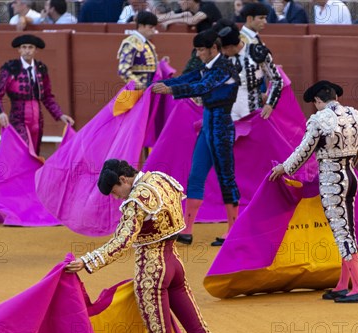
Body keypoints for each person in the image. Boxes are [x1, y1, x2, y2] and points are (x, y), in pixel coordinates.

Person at [65, 159, 235, 333]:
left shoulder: (136, 199)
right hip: (175, 264)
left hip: (152, 272)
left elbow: (122, 242)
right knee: (199, 329)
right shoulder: (161, 179)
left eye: (113, 191)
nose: (115, 197)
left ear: (123, 179)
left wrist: (87, 261)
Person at [269, 80, 358, 303]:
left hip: (332, 180)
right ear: (336, 96)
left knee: (342, 231)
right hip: (351, 175)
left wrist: (284, 168)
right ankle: (344, 284)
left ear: (317, 101)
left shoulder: (320, 119)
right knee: (346, 228)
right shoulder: (355, 115)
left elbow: (304, 149)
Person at [152, 30, 240, 247]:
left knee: (225, 177)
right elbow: (190, 78)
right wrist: (166, 84)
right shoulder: (208, 67)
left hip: (221, 127)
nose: (199, 54)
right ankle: (187, 230)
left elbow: (202, 87)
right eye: (198, 50)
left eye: (202, 50)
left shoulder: (226, 68)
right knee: (196, 175)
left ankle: (233, 230)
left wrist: (172, 90)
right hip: (208, 124)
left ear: (213, 49)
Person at [0, 35, 73, 156]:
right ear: (19, 50)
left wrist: (60, 115)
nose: (27, 50)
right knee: (23, 151)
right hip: (18, 118)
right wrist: (0, 113)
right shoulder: (10, 68)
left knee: (35, 151)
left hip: (37, 120)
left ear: (36, 50)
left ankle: (31, 176)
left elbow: (47, 97)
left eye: (30, 47)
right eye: (24, 47)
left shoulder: (41, 68)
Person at [214, 18, 282, 121]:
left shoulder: (257, 52)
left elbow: (277, 80)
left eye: (223, 49)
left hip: (253, 111)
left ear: (230, 47)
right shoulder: (222, 59)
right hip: (227, 113)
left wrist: (270, 104)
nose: (222, 53)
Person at [117, 11, 160, 89]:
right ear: (140, 26)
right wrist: (140, 86)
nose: (153, 30)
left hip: (149, 91)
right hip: (138, 92)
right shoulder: (131, 43)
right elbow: (123, 71)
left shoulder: (147, 43)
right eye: (150, 27)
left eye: (154, 27)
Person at [157, 0, 222, 32]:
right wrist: (180, 15)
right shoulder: (184, 10)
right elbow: (159, 18)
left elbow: (193, 20)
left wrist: (172, 21)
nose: (178, 2)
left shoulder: (208, 6)